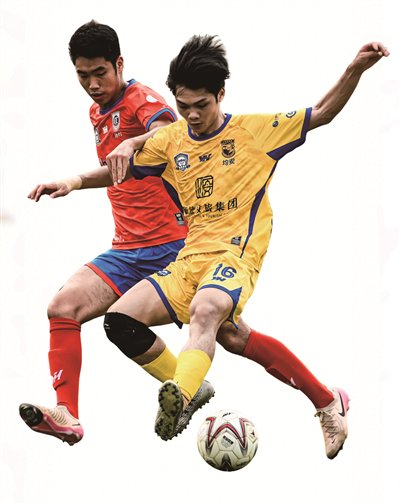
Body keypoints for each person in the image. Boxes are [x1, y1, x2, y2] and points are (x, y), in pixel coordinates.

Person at [20, 31, 387, 461]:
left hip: (234, 255)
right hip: (187, 258)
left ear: (221, 94)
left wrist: (355, 68)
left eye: (202, 105)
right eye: (184, 106)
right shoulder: (173, 140)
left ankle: (182, 393)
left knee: (207, 310)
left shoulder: (252, 131)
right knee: (121, 321)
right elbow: (127, 166)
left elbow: (322, 112)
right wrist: (73, 181)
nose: (192, 115)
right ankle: (324, 398)